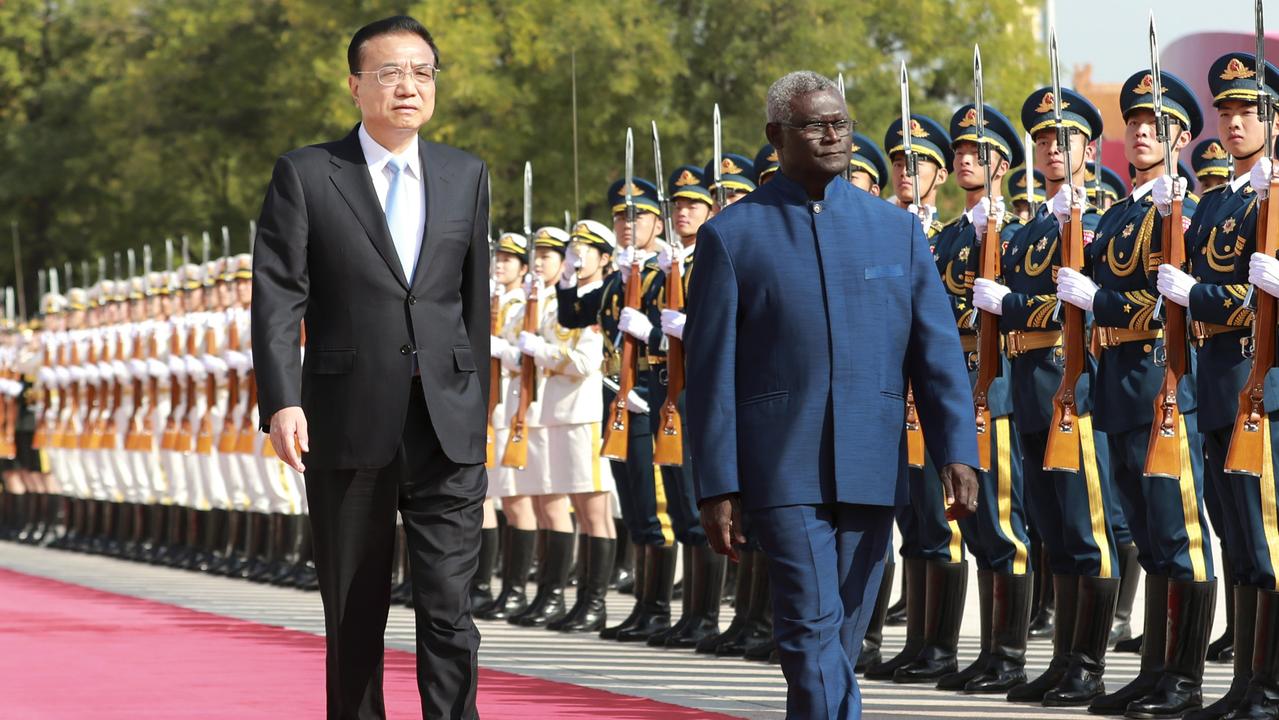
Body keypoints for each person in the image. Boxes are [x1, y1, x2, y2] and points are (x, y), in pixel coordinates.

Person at [685, 69, 979, 720]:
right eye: (813, 124)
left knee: (839, 634)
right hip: (781, 470)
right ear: (775, 136)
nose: (829, 135)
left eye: (839, 123)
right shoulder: (731, 237)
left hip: (873, 464)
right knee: (809, 625)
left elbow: (933, 353)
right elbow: (708, 374)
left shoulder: (895, 232)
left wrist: (956, 450)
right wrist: (715, 484)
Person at [252, 15, 490, 720]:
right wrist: (281, 401)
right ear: (355, 86)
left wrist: (476, 403)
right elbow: (277, 294)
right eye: (389, 73)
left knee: (450, 609)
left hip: (446, 423)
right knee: (355, 612)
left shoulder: (464, 173)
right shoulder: (307, 172)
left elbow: (471, 303)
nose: (408, 86)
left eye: (422, 72)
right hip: (346, 419)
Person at [1060, 68, 1217, 718]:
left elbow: (1166, 300)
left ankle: (1183, 678)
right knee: (1148, 538)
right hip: (1118, 389)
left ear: (1180, 136)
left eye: (1156, 126)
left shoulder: (1187, 212)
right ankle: (1154, 670)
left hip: (1162, 384)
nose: (1143, 133)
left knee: (1178, 534)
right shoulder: (1123, 211)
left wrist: (1102, 300)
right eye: (1136, 125)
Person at [972, 86, 1123, 708]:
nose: (1051, 149)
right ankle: (1063, 661)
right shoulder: (1033, 227)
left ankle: (1089, 663)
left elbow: (1082, 299)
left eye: (1063, 139)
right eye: (1041, 140)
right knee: (1054, 534)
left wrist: (1011, 305)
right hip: (1030, 390)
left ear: (1088, 146)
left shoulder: (1099, 218)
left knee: (1088, 532)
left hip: (1075, 390)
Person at [1168, 51, 1279, 720]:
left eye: (1251, 111)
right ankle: (1244, 683)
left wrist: (1202, 295)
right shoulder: (1212, 205)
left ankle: (1268, 688)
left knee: (1267, 540)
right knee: (1236, 540)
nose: (1235, 122)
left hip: (1259, 385)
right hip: (1213, 386)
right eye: (1228, 111)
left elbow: (1249, 295)